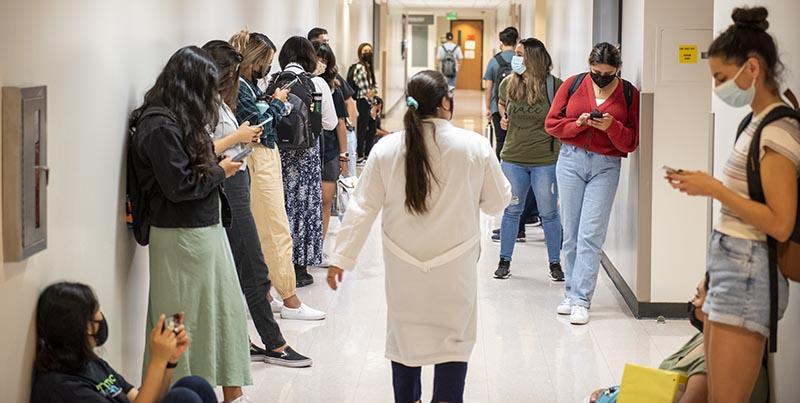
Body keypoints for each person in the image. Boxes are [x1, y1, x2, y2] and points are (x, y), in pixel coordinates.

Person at [327, 70, 512, 403]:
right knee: (454, 341)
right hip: (455, 271)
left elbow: (362, 207)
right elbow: (497, 201)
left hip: (404, 268)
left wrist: (341, 258)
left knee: (405, 341)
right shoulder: (474, 147)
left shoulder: (387, 148)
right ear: (445, 102)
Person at [665, 7, 797, 402]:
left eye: (722, 77)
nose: (718, 87)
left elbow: (780, 223)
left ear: (752, 69)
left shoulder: (779, 130)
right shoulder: (753, 123)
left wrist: (714, 189)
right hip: (729, 266)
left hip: (749, 273)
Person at [128, 45, 253, 403]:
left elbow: (186, 168)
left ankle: (232, 392)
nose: (211, 97)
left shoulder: (173, 118)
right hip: (180, 236)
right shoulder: (157, 125)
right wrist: (222, 171)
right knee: (184, 319)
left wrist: (216, 162)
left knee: (223, 313)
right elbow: (180, 186)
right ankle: (180, 395)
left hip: (203, 229)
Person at [202, 40, 312, 368]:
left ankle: (244, 338)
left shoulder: (225, 101)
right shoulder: (212, 104)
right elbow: (217, 144)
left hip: (236, 176)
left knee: (241, 266)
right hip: (231, 181)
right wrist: (244, 133)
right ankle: (274, 342)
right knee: (254, 263)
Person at [230, 29, 325, 319]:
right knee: (276, 229)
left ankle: (268, 293)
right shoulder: (240, 88)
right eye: (266, 61)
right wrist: (276, 102)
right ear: (254, 60)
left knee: (265, 230)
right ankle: (291, 300)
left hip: (264, 158)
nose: (268, 68)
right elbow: (257, 125)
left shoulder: (246, 86)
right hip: (258, 159)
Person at [545, 42, 640, 325]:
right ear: (589, 65)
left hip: (606, 166)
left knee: (591, 233)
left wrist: (611, 126)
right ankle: (571, 293)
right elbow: (552, 124)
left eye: (608, 73)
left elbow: (631, 141)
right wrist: (579, 124)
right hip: (571, 161)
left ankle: (581, 300)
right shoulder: (574, 84)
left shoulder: (628, 93)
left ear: (618, 70)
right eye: (596, 72)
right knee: (572, 232)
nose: (601, 77)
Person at [586, 277, 769, 403]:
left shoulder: (716, 364)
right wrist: (616, 393)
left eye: (698, 296)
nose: (692, 301)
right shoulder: (704, 338)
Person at [31, 282, 217, 403]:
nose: (100, 316)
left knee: (194, 384)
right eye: (96, 310)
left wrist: (169, 361)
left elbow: (141, 398)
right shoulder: (62, 388)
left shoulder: (89, 362)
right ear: (85, 326)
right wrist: (157, 360)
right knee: (183, 398)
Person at [493, 38, 563, 282]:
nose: (516, 58)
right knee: (512, 210)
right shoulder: (508, 83)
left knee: (548, 213)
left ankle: (555, 264)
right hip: (513, 158)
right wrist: (504, 119)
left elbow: (563, 118)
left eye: (521, 54)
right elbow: (502, 104)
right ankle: (504, 261)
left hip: (545, 160)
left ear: (533, 58)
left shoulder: (553, 86)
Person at [271, 36, 338, 284]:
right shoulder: (316, 83)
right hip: (306, 158)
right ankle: (300, 268)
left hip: (277, 157)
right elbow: (329, 123)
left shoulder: (273, 82)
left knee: (280, 207)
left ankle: (278, 264)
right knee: (305, 209)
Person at [484, 27, 541, 241]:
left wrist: (489, 108)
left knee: (506, 152)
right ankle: (525, 217)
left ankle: (520, 217)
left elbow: (489, 87)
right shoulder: (518, 74)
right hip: (517, 125)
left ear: (501, 41)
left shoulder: (495, 61)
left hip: (504, 115)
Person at [313, 41, 350, 263]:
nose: (321, 64)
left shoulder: (334, 88)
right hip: (307, 149)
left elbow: (340, 123)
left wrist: (344, 155)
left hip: (330, 150)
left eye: (325, 60)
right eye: (317, 58)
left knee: (326, 200)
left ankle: (319, 248)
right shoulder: (304, 85)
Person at [351, 43, 381, 163]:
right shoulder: (360, 67)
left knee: (372, 128)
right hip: (363, 101)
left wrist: (373, 97)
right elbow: (366, 90)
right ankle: (360, 155)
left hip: (369, 101)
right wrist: (372, 104)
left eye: (369, 50)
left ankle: (368, 153)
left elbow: (374, 87)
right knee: (363, 128)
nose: (368, 53)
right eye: (365, 51)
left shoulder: (369, 67)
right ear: (360, 53)